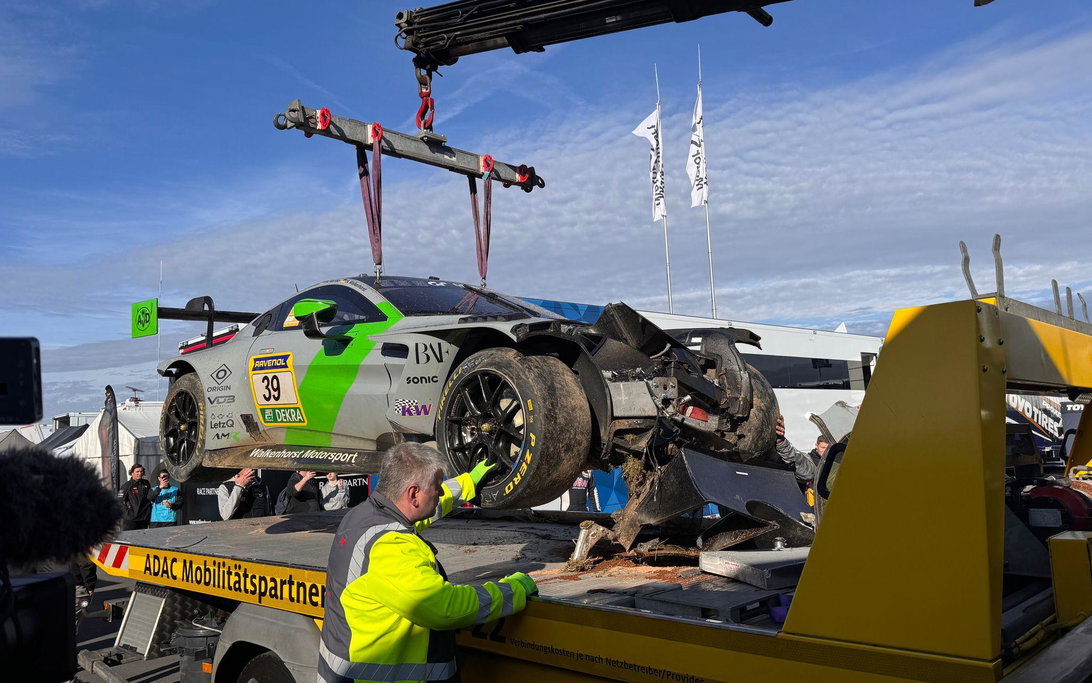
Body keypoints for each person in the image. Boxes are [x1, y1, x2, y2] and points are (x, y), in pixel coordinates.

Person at [318, 444, 538, 683]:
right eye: (437, 487)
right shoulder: (392, 548)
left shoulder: (362, 516)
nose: (441, 493)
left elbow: (422, 510)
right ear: (413, 493)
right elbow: (447, 609)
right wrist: (513, 590)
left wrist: (468, 482)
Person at [775, 414, 830, 483]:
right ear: (816, 446)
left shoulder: (835, 463)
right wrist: (782, 442)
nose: (825, 451)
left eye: (828, 448)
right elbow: (797, 460)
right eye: (823, 447)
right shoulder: (809, 460)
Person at [118, 463, 154, 530]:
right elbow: (119, 501)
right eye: (137, 471)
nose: (139, 473)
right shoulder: (126, 485)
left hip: (144, 519)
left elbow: (150, 497)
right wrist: (127, 513)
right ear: (132, 473)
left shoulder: (146, 483)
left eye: (141, 471)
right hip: (131, 520)